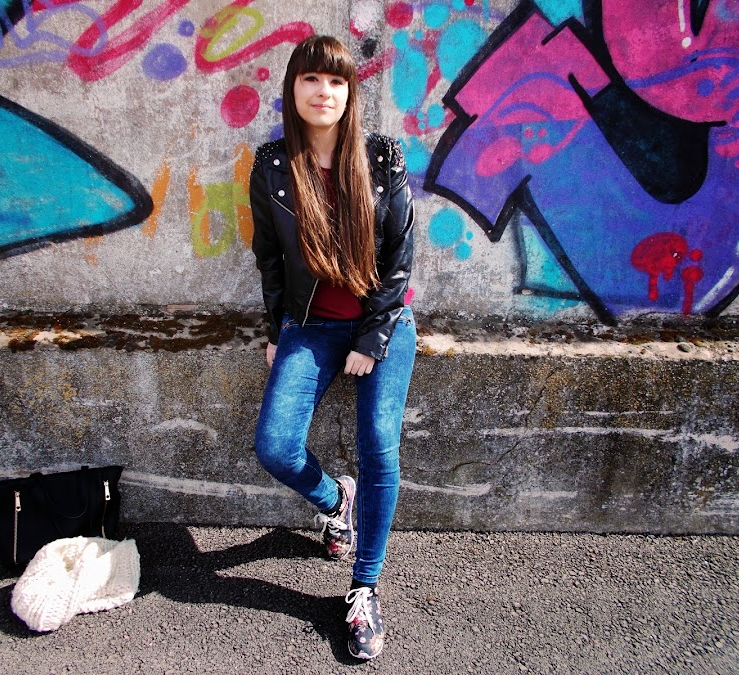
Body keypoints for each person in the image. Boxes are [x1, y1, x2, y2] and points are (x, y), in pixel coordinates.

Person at [249, 35, 416, 660]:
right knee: (275, 446)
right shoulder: (273, 165)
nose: (324, 92)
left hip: (382, 323)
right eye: (311, 80)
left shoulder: (382, 158)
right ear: (293, 89)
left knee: (378, 445)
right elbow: (270, 259)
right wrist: (277, 331)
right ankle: (334, 500)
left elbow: (400, 258)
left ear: (351, 92)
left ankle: (364, 586)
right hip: (311, 325)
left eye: (337, 82)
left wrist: (372, 338)